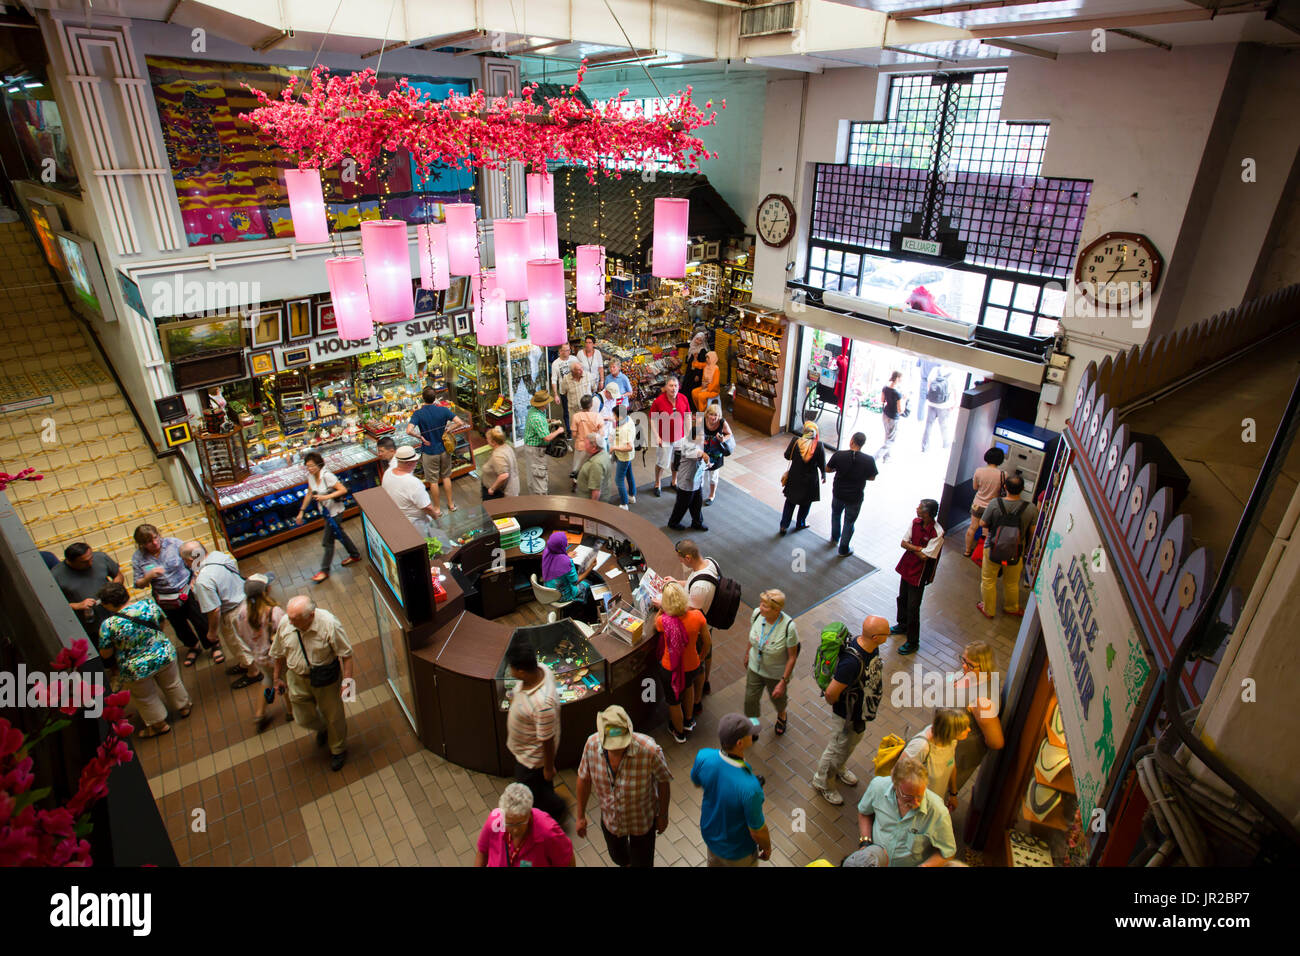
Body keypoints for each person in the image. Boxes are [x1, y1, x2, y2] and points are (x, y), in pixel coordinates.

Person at [575, 705, 672, 867]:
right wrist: (580, 816)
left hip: (642, 822)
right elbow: (584, 779)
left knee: (643, 863)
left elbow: (663, 782)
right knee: (618, 858)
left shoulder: (650, 750)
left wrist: (663, 815)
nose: (617, 749)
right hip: (611, 821)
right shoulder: (591, 745)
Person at [811, 615, 889, 806]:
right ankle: (823, 783)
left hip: (858, 713)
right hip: (846, 715)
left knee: (850, 742)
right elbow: (831, 693)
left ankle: (839, 768)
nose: (889, 635)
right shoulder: (851, 663)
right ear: (876, 637)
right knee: (837, 746)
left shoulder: (870, 645)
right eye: (887, 633)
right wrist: (841, 708)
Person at [96, 582, 190, 739]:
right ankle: (184, 707)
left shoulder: (109, 625)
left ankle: (159, 725)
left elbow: (106, 654)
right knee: (173, 683)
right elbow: (161, 623)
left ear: (109, 604)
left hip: (135, 668)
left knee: (145, 697)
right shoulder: (148, 605)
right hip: (163, 654)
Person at [271, 595, 353, 772]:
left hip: (326, 679)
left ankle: (338, 749)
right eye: (290, 617)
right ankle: (323, 728)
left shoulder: (330, 624)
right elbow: (278, 653)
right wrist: (277, 678)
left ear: (311, 615)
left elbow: (346, 655)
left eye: (296, 619)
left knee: (334, 715)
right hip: (296, 678)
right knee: (302, 717)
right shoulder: (286, 622)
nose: (290, 622)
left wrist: (348, 685)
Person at [130, 523, 217, 667]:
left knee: (199, 618)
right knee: (179, 625)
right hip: (165, 597)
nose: (155, 543)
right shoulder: (138, 558)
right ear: (141, 544)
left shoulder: (173, 544)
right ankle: (193, 646)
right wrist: (148, 576)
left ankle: (213, 644)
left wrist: (195, 576)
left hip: (186, 589)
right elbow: (138, 584)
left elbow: (196, 557)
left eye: (156, 538)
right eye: (149, 542)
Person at [690, 713, 771, 866]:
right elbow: (757, 831)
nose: (753, 735)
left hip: (711, 836)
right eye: (750, 734)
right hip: (737, 852)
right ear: (740, 743)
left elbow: (697, 781)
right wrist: (767, 847)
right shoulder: (750, 788)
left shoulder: (703, 756)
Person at [182, 541, 261, 688]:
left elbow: (214, 610)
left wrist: (212, 632)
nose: (186, 564)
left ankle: (253, 672)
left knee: (238, 644)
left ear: (192, 559)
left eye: (185, 560)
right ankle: (245, 665)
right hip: (245, 601)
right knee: (246, 639)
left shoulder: (203, 581)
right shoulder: (219, 556)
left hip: (231, 613)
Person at [856, 754, 957, 867]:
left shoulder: (938, 812)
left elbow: (948, 853)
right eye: (908, 797)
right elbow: (864, 813)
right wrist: (865, 842)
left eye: (920, 796)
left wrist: (925, 866)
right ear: (895, 785)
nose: (916, 803)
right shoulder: (878, 787)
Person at [505, 642, 567, 822]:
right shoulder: (542, 670)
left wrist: (548, 767)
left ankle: (556, 812)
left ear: (522, 672)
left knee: (532, 794)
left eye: (512, 668)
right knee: (542, 789)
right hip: (526, 755)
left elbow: (547, 739)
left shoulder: (542, 704)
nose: (510, 672)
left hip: (532, 760)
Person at [234, 573, 291, 733]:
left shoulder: (241, 612)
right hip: (278, 658)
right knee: (284, 681)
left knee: (267, 678)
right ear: (266, 590)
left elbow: (242, 635)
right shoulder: (274, 612)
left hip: (259, 657)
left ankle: (259, 713)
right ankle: (291, 711)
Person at [977, 474, 1040, 619]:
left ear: (1005, 487)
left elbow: (982, 523)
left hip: (992, 548)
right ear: (1023, 489)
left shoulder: (995, 503)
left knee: (988, 580)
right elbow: (1032, 532)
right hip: (1015, 552)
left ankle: (988, 609)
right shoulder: (1030, 508)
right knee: (1011, 582)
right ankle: (1011, 608)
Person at [653, 581, 708, 744]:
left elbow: (656, 622)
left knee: (673, 701)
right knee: (689, 687)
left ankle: (678, 732)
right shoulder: (697, 616)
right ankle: (689, 720)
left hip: (671, 668)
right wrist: (701, 657)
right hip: (692, 665)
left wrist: (662, 608)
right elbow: (707, 642)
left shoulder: (663, 621)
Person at [297, 451, 362, 583]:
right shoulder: (311, 477)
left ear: (319, 464)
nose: (309, 469)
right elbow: (309, 494)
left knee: (328, 541)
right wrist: (301, 511)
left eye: (311, 466)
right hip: (326, 512)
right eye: (307, 466)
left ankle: (324, 570)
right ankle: (355, 555)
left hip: (335, 512)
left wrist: (325, 497)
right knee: (340, 534)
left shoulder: (328, 476)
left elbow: (342, 490)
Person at [742, 589, 800, 738]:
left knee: (778, 700)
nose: (761, 608)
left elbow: (792, 657)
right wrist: (748, 653)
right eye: (761, 604)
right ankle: (753, 726)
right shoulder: (756, 615)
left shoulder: (788, 627)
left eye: (765, 606)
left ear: (777, 610)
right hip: (755, 668)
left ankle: (782, 714)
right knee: (750, 700)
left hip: (776, 674)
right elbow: (753, 636)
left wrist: (783, 682)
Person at [475, 782, 574, 867]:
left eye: (519, 823)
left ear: (529, 814)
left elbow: (567, 859)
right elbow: (482, 852)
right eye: (509, 824)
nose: (515, 830)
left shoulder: (548, 831)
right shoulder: (495, 821)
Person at [952, 641, 1005, 793]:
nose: (963, 666)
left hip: (958, 755)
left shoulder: (983, 701)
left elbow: (996, 742)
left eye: (970, 665)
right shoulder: (974, 676)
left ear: (985, 667)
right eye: (963, 660)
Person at [892, 498, 944, 655]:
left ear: (927, 513)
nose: (917, 509)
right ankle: (902, 624)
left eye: (919, 507)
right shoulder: (915, 523)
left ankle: (913, 641)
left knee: (913, 607)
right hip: (907, 567)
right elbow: (903, 543)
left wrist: (912, 548)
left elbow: (925, 557)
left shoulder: (938, 533)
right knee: (902, 598)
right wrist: (919, 548)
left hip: (920, 574)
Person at [406, 388, 466, 518]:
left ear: (422, 398)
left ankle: (437, 509)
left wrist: (420, 437)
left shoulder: (418, 414)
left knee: (433, 481)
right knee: (446, 477)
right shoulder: (443, 410)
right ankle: (451, 505)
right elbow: (460, 422)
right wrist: (449, 430)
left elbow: (409, 430)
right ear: (435, 398)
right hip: (444, 449)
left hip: (429, 451)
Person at [673, 539, 719, 702]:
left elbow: (690, 610)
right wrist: (677, 583)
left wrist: (665, 604)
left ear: (688, 558)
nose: (681, 563)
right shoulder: (710, 563)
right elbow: (692, 584)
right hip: (710, 619)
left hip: (700, 628)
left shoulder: (700, 587)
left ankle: (697, 698)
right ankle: (707, 681)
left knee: (698, 662)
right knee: (708, 652)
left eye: (680, 559)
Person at [904, 708, 972, 810]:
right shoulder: (921, 747)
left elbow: (950, 764)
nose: (969, 729)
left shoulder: (951, 741)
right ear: (950, 731)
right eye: (964, 728)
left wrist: (953, 794)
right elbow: (897, 775)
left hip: (933, 803)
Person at [52, 542, 123, 640]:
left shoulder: (100, 557)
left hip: (116, 617)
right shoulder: (56, 575)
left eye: (91, 558)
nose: (90, 563)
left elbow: (118, 575)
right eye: (84, 562)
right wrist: (77, 605)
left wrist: (114, 588)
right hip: (91, 628)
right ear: (70, 561)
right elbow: (54, 605)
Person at [825, 431, 878, 557]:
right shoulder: (868, 460)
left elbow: (827, 469)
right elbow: (872, 477)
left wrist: (837, 470)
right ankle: (843, 549)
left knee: (836, 514)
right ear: (863, 444)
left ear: (852, 441)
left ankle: (835, 537)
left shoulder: (839, 455)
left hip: (838, 493)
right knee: (849, 522)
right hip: (855, 497)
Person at [779, 422, 826, 534]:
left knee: (790, 502)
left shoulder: (796, 440)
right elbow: (822, 463)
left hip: (795, 476)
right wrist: (824, 474)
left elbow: (787, 456)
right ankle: (800, 523)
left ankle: (784, 526)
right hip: (810, 480)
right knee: (806, 504)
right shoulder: (818, 445)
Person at [649, 375, 692, 497]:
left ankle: (674, 481)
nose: (674, 388)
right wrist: (657, 436)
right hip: (665, 438)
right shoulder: (658, 401)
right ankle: (657, 483)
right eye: (671, 386)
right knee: (662, 463)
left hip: (680, 437)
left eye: (676, 386)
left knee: (677, 461)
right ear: (665, 388)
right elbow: (653, 419)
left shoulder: (683, 399)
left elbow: (688, 416)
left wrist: (689, 435)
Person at [382, 446, 438, 537]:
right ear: (410, 463)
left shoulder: (388, 473)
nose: (416, 463)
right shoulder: (413, 483)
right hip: (416, 525)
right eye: (415, 461)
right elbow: (428, 507)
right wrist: (436, 518)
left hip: (397, 521)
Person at [966, 447, 1007, 557]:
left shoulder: (979, 471)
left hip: (977, 504)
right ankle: (982, 554)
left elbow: (975, 487)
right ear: (1000, 459)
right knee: (986, 532)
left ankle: (967, 551)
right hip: (992, 507)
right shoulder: (1003, 474)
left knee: (972, 527)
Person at [523, 390, 565, 496]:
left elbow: (541, 423)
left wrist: (549, 421)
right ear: (543, 404)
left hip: (531, 449)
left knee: (533, 476)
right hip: (535, 451)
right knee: (538, 476)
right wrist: (558, 431)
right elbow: (547, 438)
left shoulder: (534, 411)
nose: (548, 403)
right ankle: (541, 502)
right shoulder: (537, 418)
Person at [540, 530, 595, 610]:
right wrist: (591, 567)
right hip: (562, 596)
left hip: (549, 590)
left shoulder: (547, 551)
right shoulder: (566, 562)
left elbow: (557, 561)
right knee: (589, 583)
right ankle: (584, 607)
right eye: (565, 542)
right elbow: (575, 581)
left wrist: (566, 556)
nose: (567, 543)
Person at [666, 441, 709, 532]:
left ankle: (697, 523)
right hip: (686, 483)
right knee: (682, 505)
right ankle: (673, 523)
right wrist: (706, 456)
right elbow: (700, 454)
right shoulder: (687, 446)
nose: (703, 439)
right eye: (701, 437)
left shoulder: (699, 444)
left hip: (696, 481)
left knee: (697, 503)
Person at [699, 404, 733, 506]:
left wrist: (723, 439)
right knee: (699, 475)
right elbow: (695, 438)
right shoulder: (701, 421)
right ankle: (698, 494)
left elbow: (729, 434)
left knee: (713, 476)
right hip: (703, 452)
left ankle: (711, 495)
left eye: (717, 415)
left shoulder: (722, 422)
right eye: (711, 414)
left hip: (716, 453)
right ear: (707, 414)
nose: (714, 418)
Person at [920, 366, 958, 453]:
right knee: (944, 426)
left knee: (928, 426)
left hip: (931, 403)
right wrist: (955, 403)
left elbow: (929, 384)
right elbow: (955, 390)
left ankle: (924, 447)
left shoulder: (935, 370)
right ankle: (946, 445)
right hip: (944, 405)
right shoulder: (953, 373)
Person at [570, 393, 603, 486]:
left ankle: (575, 482)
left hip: (580, 445)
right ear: (591, 405)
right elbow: (601, 433)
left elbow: (574, 434)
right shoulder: (597, 416)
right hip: (592, 447)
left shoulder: (576, 416)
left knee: (577, 465)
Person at [562, 359, 594, 457]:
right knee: (577, 432)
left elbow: (593, 388)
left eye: (581, 369)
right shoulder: (566, 380)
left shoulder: (588, 376)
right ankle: (580, 449)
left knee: (589, 429)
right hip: (574, 411)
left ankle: (590, 448)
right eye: (578, 370)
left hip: (587, 411)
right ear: (573, 372)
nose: (581, 371)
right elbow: (563, 392)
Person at [480, 426, 520, 500]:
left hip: (502, 493)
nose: (486, 440)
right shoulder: (507, 447)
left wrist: (492, 489)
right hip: (513, 486)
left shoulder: (498, 455)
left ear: (493, 442)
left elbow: (504, 475)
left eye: (488, 439)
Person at [610, 403, 638, 509]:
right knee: (629, 474)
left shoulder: (625, 429)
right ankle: (631, 495)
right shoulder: (628, 419)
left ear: (619, 416)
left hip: (624, 456)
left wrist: (614, 448)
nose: (613, 417)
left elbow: (629, 447)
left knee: (619, 479)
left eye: (614, 415)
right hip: (628, 456)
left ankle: (624, 503)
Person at [876, 371, 906, 463]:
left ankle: (887, 457)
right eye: (901, 378)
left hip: (885, 414)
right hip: (893, 417)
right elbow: (900, 410)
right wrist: (904, 400)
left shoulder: (885, 388)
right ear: (897, 378)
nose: (902, 380)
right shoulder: (898, 393)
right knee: (891, 440)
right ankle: (875, 457)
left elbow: (882, 400)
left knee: (887, 436)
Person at [575, 433, 610, 502]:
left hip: (587, 502)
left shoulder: (596, 464)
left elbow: (596, 491)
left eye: (586, 444)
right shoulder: (604, 453)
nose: (584, 445)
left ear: (594, 447)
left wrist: (592, 508)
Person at [549, 341, 574, 434]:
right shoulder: (556, 363)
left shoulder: (574, 359)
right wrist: (555, 394)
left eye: (568, 350)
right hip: (564, 392)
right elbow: (554, 380)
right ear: (560, 351)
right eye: (565, 350)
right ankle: (569, 430)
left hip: (575, 390)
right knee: (567, 411)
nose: (568, 352)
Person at [682, 330, 707, 400]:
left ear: (702, 342)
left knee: (692, 387)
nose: (697, 341)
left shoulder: (702, 351)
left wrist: (698, 375)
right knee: (687, 384)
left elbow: (702, 365)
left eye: (700, 340)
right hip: (690, 369)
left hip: (695, 372)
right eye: (697, 339)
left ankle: (690, 403)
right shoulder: (693, 346)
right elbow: (686, 344)